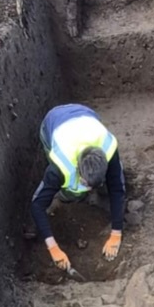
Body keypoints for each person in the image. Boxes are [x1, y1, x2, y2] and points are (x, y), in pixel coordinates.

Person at [31, 103, 126, 270]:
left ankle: (99, 185)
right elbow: (37, 205)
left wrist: (116, 233)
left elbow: (117, 189)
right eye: (85, 184)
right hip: (53, 121)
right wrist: (53, 248)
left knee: (113, 183)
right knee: (73, 193)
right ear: (78, 169)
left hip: (85, 114)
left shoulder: (109, 148)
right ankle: (68, 196)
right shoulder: (60, 167)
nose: (89, 189)